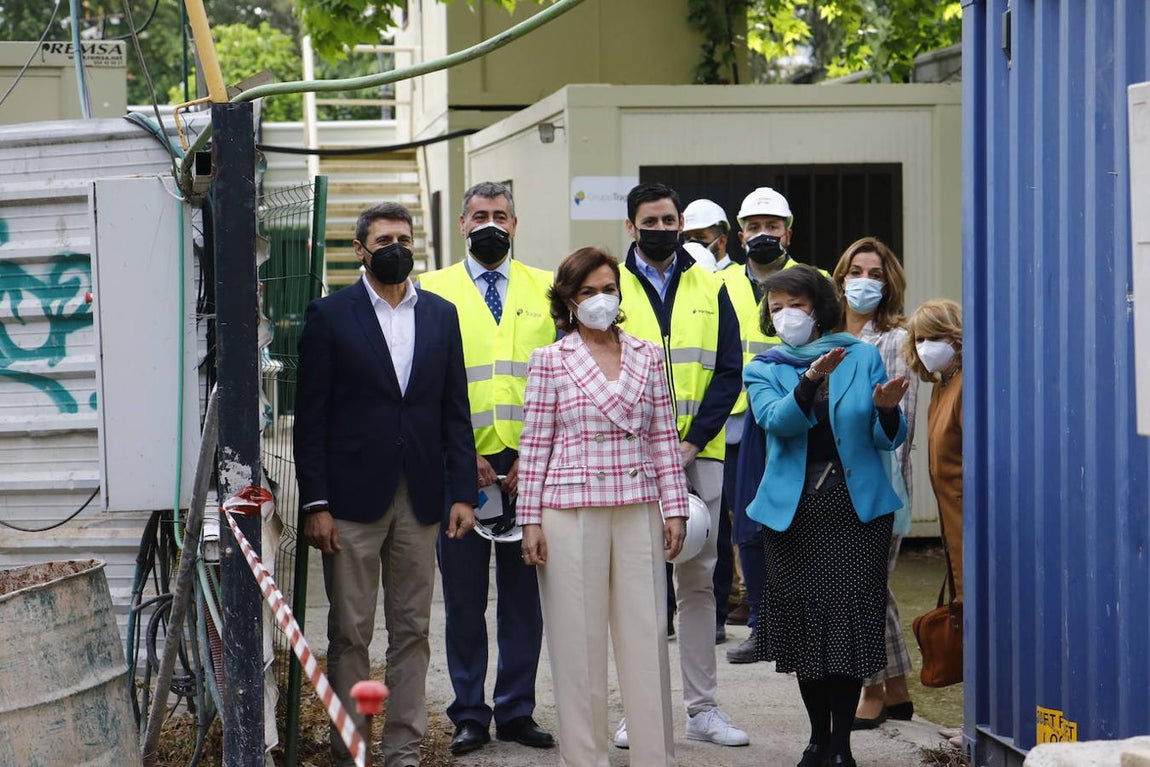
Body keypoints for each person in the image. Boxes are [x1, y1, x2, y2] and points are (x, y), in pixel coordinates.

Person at [294, 202, 477, 767]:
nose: (396, 248)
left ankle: (403, 750)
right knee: (350, 631)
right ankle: (352, 748)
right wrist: (316, 502)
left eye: (404, 238)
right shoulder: (330, 315)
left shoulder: (441, 315)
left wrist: (462, 492)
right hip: (350, 500)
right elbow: (311, 417)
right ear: (360, 250)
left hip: (420, 496)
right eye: (384, 240)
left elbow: (455, 410)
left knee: (413, 629)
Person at [517, 246, 689, 767]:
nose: (600, 299)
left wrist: (675, 507)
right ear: (568, 300)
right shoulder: (550, 359)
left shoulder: (647, 354)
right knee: (577, 644)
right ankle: (583, 758)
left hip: (638, 504)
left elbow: (663, 435)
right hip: (569, 509)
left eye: (608, 289)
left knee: (646, 639)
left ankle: (655, 757)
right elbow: (535, 444)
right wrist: (529, 520)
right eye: (588, 291)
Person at [743, 265, 908, 767]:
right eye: (777, 308)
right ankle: (817, 739)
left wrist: (887, 411)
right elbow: (776, 421)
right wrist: (811, 379)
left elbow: (885, 438)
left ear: (819, 308)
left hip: (855, 511)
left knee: (849, 627)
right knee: (804, 629)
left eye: (796, 304)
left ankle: (841, 747)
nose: (786, 315)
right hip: (793, 514)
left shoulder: (861, 355)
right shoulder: (763, 366)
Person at [417, 182, 556, 755]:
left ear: (515, 225)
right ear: (462, 224)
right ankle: (469, 712)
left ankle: (517, 709)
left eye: (500, 215)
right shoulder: (431, 289)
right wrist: (460, 453)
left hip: (531, 463)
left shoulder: (547, 288)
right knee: (465, 596)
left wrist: (534, 454)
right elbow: (422, 383)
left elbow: (561, 378)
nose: (490, 224)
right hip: (460, 465)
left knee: (524, 597)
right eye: (479, 215)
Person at [614, 182, 750, 749]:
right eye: (650, 221)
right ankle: (640, 710)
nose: (661, 229)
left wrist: (693, 442)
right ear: (631, 226)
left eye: (669, 220)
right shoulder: (610, 285)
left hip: (700, 456)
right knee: (639, 587)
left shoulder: (710, 285)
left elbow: (729, 369)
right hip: (630, 458)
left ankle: (703, 709)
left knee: (698, 582)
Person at [722, 186, 829, 665]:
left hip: (799, 412)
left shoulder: (816, 280)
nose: (762, 233)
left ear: (789, 232)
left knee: (803, 521)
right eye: (753, 226)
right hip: (738, 419)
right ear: (739, 233)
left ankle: (803, 624)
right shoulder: (718, 283)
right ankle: (763, 627)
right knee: (748, 524)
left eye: (772, 226)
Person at [830, 237, 919, 729]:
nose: (864, 281)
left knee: (863, 589)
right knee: (872, 587)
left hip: (879, 486)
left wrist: (886, 497)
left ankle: (872, 690)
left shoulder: (897, 340)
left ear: (889, 285)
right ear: (841, 277)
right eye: (857, 271)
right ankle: (899, 691)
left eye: (876, 274)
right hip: (833, 483)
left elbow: (900, 428)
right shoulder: (827, 336)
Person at [904, 299, 963, 598]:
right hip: (952, 519)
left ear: (957, 337)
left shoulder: (965, 386)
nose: (926, 347)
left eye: (936, 337)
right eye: (920, 339)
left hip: (969, 520)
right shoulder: (941, 385)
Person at [682, 198, 732, 270]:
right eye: (687, 238)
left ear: (721, 241)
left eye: (700, 237)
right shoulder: (680, 274)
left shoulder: (739, 275)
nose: (692, 244)